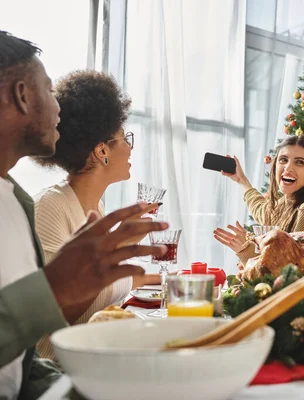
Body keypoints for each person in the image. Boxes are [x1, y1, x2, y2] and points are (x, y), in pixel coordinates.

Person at [0, 30, 167, 399]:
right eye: (49, 90)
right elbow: (47, 330)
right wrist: (52, 290)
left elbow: (23, 363)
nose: (58, 109)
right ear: (22, 95)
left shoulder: (16, 202)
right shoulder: (47, 206)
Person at [31, 70, 161, 359]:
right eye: (124, 137)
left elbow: (110, 281)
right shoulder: (50, 209)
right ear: (102, 150)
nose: (129, 147)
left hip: (98, 357)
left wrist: (174, 279)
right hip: (59, 372)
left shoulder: (96, 208)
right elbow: (52, 313)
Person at [214, 135, 304, 266]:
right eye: (283, 160)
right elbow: (260, 209)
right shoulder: (286, 203)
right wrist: (241, 180)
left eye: (299, 162)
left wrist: (245, 249)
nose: (288, 168)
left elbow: (293, 272)